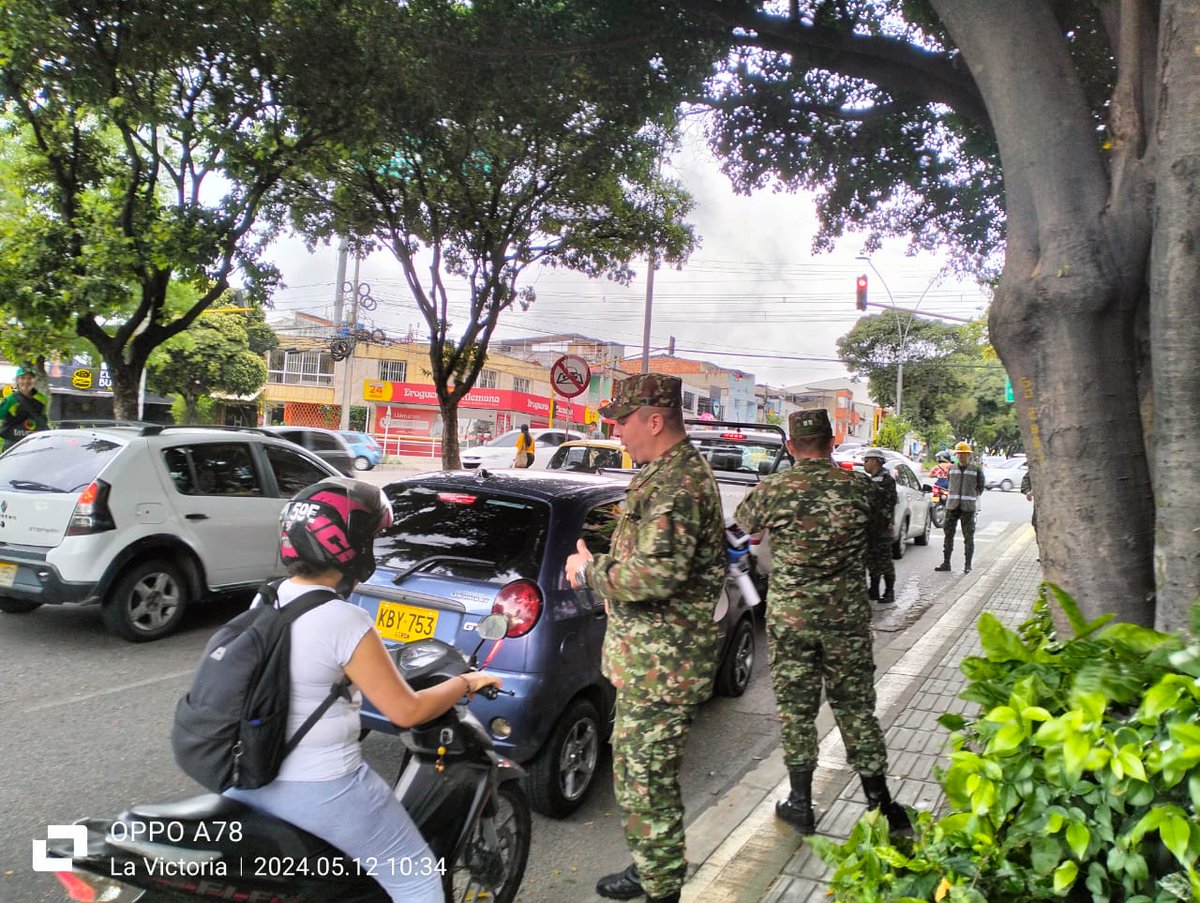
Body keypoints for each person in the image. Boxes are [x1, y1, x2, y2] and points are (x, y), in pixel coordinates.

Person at [224, 478, 502, 903]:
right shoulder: (344, 620)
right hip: (321, 785)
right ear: (348, 545)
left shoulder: (268, 599)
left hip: (250, 772)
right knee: (419, 878)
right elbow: (406, 712)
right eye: (372, 536)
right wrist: (464, 682)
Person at [564, 373, 725, 903]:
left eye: (622, 420)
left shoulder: (677, 485)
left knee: (644, 782)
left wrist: (589, 572)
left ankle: (661, 889)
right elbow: (646, 561)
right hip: (650, 661)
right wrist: (606, 565)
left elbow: (654, 576)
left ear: (654, 421)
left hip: (664, 666)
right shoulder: (664, 474)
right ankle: (653, 867)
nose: (616, 430)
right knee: (642, 778)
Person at [733, 409, 909, 837]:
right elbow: (877, 540)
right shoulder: (859, 490)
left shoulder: (774, 488)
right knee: (856, 707)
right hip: (846, 617)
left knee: (796, 711)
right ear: (832, 443)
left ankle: (800, 803)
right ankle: (880, 802)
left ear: (791, 446)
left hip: (792, 618)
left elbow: (744, 526)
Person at [934, 441, 987, 574]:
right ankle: (946, 563)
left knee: (968, 537)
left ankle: (967, 565)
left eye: (965, 454)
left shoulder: (976, 471)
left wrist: (972, 496)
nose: (962, 456)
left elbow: (980, 487)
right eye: (960, 454)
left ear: (969, 455)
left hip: (968, 508)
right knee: (948, 535)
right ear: (957, 455)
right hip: (952, 507)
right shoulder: (952, 469)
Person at [861, 448, 897, 604]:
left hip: (881, 528)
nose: (864, 464)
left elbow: (888, 503)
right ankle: (874, 589)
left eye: (866, 460)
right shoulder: (870, 479)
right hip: (870, 529)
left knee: (884, 561)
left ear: (875, 461)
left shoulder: (887, 480)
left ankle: (889, 592)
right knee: (872, 561)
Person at [0, 365, 50, 451]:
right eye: (22, 378)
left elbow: (43, 420)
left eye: (30, 378)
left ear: (34, 381)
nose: (26, 381)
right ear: (17, 381)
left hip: (34, 444)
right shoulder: (10, 400)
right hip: (13, 445)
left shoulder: (42, 399)